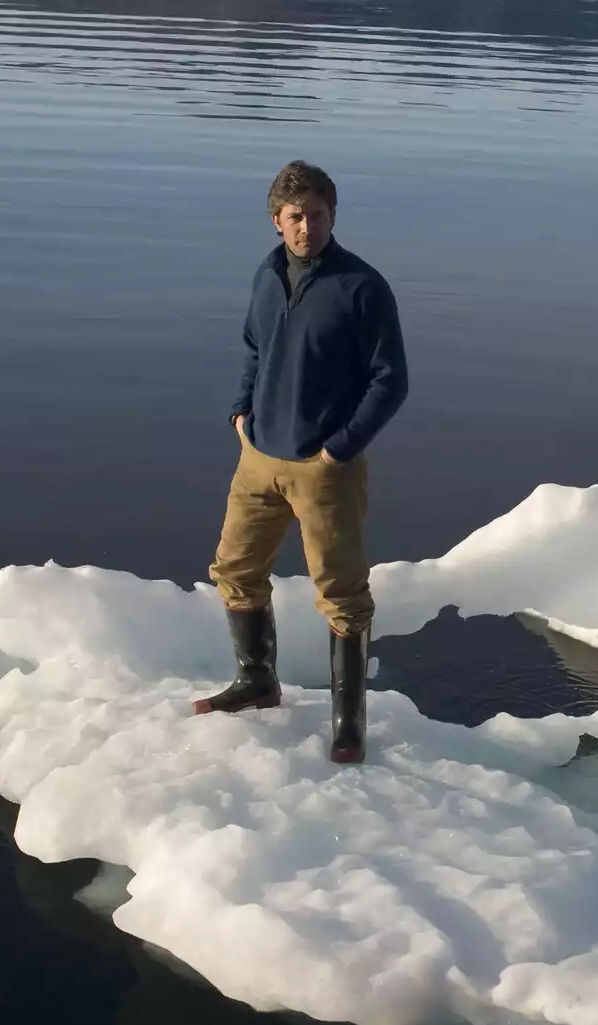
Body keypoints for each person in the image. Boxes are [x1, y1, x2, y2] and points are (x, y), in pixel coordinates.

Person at [193, 160, 409, 765]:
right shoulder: (267, 275)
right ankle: (257, 682)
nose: (306, 227)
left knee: (342, 594)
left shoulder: (361, 287)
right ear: (276, 220)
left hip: (324, 468)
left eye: (317, 215)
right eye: (296, 217)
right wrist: (241, 413)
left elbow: (390, 381)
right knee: (235, 570)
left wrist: (340, 447)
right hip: (258, 456)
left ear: (332, 216)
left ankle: (348, 724)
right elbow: (254, 349)